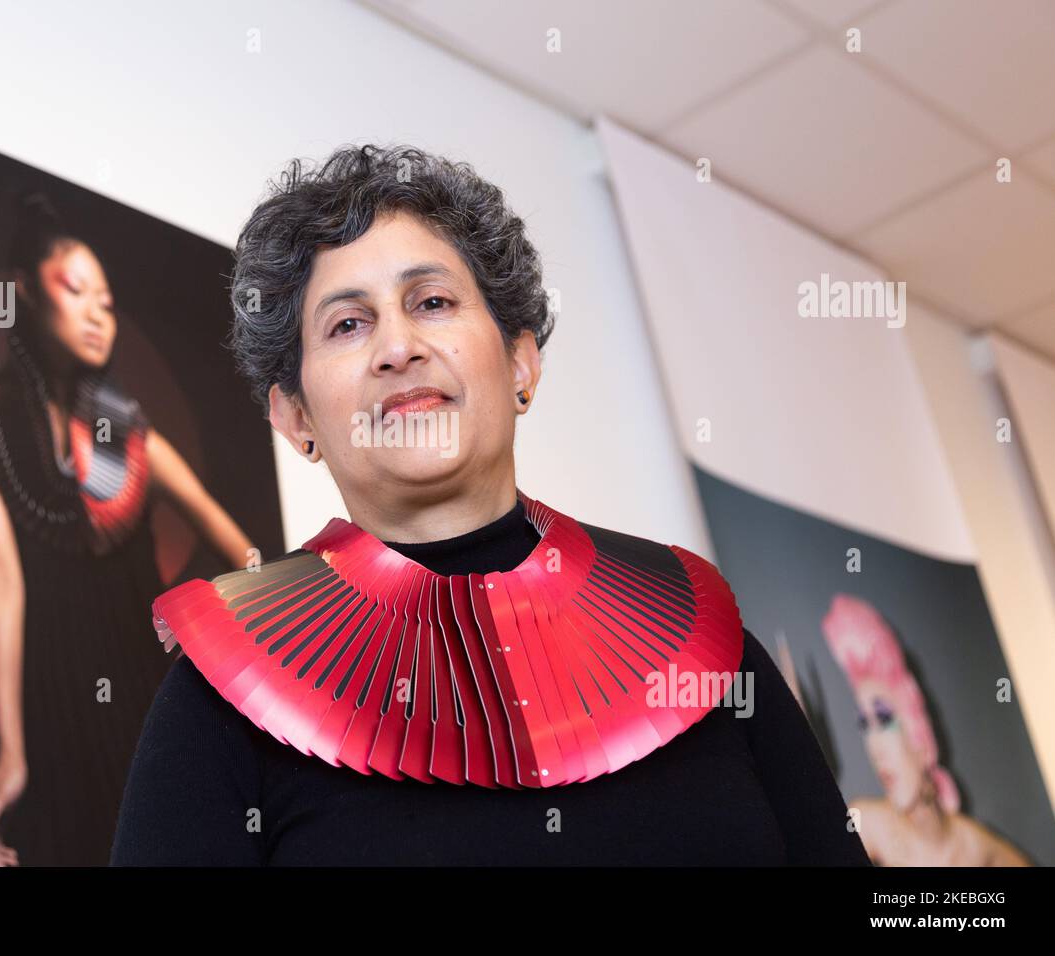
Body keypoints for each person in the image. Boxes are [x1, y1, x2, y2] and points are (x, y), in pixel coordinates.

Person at [109, 144, 871, 865]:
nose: (398, 346)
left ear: (521, 362)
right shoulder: (224, 693)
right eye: (348, 323)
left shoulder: (695, 633)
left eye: (432, 301)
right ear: (294, 417)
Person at [0, 193, 255, 866]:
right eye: (76, 289)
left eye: (108, 298)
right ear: (25, 293)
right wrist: (10, 751)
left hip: (143, 688)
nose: (99, 310)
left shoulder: (133, 437)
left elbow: (245, 553)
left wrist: (222, 653)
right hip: (48, 692)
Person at [822, 593, 1031, 866]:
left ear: (920, 741)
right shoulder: (866, 824)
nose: (874, 747)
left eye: (884, 721)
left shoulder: (975, 846)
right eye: (864, 726)